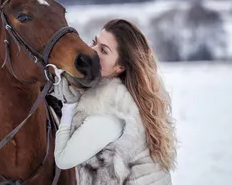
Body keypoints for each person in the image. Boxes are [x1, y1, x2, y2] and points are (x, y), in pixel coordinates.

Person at [51, 19, 177, 185]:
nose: (92, 51)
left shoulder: (112, 112)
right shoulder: (129, 97)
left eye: (103, 50)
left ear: (120, 67)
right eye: (94, 43)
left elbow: (63, 159)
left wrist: (69, 105)